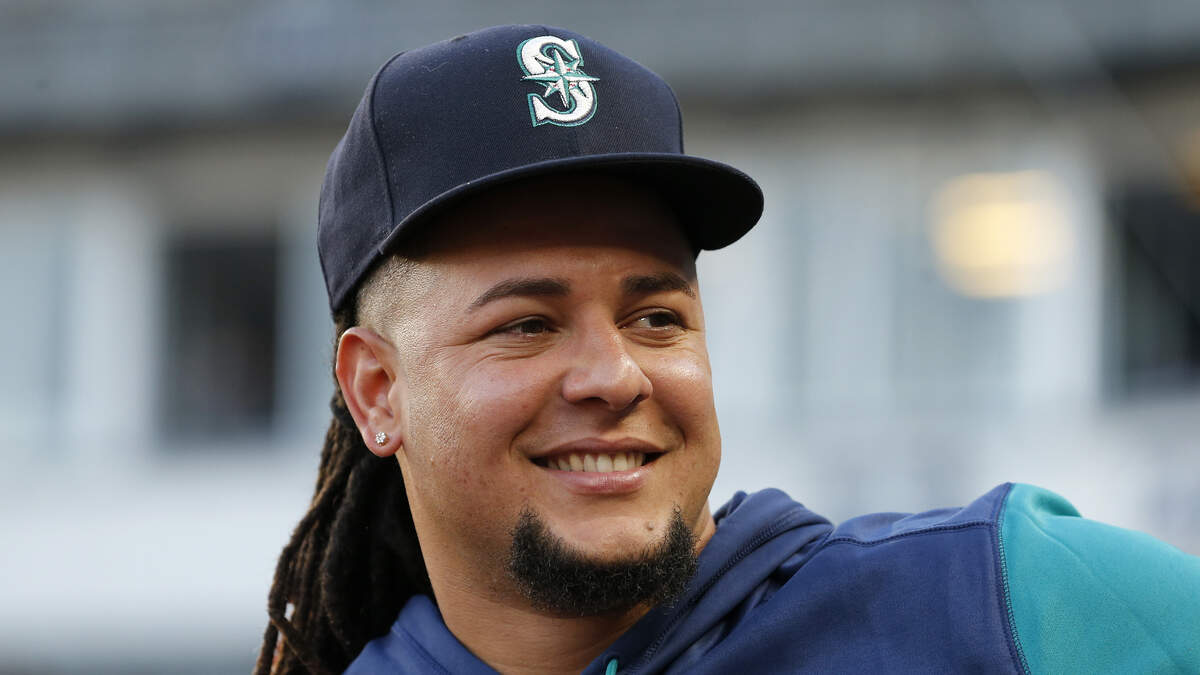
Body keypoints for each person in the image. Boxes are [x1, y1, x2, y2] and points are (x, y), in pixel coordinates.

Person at [257, 25, 1200, 674]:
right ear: (377, 390)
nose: (615, 375)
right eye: (527, 325)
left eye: (655, 317)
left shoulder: (1013, 603)